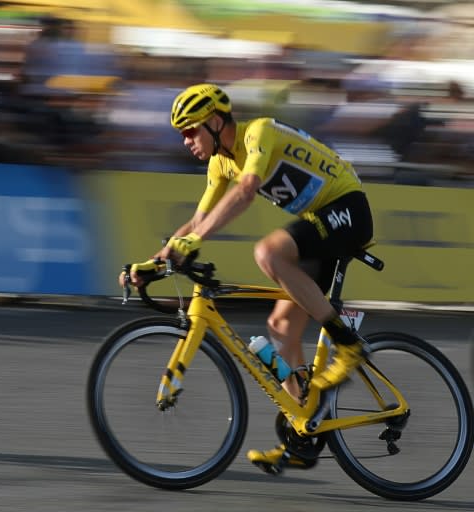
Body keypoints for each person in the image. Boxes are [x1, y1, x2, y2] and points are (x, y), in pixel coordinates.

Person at [121, 83, 374, 472]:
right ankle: (303, 436)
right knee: (280, 327)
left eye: (191, 130)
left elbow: (247, 190)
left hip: (348, 208)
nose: (186, 141)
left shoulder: (259, 133)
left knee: (269, 253)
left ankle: (348, 344)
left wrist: (191, 241)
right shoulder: (219, 163)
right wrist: (157, 261)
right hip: (319, 225)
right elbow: (198, 222)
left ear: (217, 122)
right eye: (181, 134)